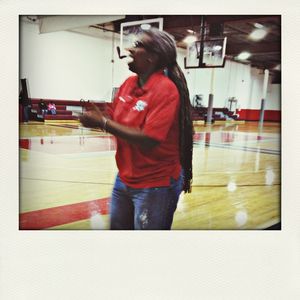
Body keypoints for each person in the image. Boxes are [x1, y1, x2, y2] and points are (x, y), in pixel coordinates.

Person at [80, 28, 194, 230]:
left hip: (156, 183)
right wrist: (99, 118)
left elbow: (150, 138)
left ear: (152, 57)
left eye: (138, 46)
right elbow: (118, 123)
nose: (130, 49)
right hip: (125, 178)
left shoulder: (165, 89)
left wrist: (103, 123)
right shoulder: (127, 84)